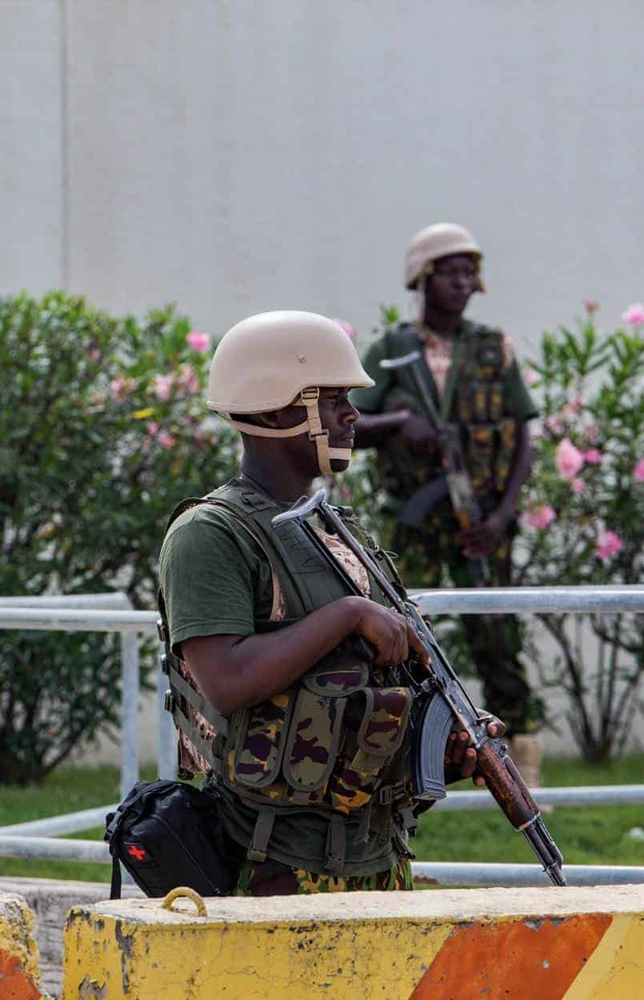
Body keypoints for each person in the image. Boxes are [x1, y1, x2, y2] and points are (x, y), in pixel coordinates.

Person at [157, 309, 505, 895]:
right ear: (271, 408)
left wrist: (443, 742)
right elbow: (227, 679)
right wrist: (350, 614)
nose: (352, 415)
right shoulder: (210, 534)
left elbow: (373, 680)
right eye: (332, 398)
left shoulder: (338, 530)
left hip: (376, 857)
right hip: (273, 868)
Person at [350, 223, 546, 786]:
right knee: (399, 640)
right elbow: (353, 423)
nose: (463, 282)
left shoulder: (491, 346)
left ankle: (521, 772)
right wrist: (398, 426)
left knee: (498, 641)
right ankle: (396, 761)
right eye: (450, 272)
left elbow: (522, 435)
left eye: (469, 272)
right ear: (423, 278)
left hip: (481, 524)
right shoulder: (392, 350)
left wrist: (502, 516)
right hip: (414, 523)